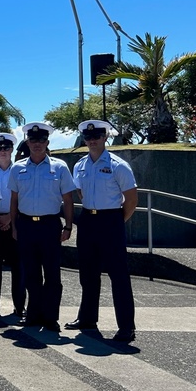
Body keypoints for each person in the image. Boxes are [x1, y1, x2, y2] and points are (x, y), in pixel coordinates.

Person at [67, 119, 139, 343]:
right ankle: (87, 318)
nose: (92, 140)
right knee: (87, 274)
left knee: (118, 276)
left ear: (105, 137)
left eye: (96, 136)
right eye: (88, 137)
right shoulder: (80, 165)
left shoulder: (118, 165)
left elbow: (132, 199)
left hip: (111, 221)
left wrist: (117, 221)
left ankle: (126, 327)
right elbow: (80, 192)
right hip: (88, 220)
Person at [8, 121, 77, 333]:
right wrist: (14, 226)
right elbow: (14, 200)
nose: (37, 144)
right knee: (31, 274)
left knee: (52, 275)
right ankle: (34, 314)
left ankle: (50, 317)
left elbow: (68, 199)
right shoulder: (17, 168)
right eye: (33, 140)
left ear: (47, 142)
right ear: (27, 142)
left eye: (41, 140)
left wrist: (68, 226)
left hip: (50, 226)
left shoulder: (59, 167)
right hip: (26, 225)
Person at [0, 131, 25, 319]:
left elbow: (22, 198)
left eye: (6, 148)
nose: (3, 151)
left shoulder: (19, 170)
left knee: (19, 267)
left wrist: (9, 218)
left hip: (15, 222)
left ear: (12, 150)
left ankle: (19, 306)